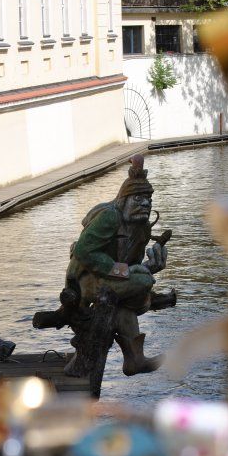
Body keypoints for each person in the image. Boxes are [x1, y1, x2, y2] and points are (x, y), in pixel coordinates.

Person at [65, 154, 169, 376]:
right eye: (139, 198)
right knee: (142, 283)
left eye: (149, 199)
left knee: (132, 296)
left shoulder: (141, 228)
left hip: (109, 280)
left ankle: (134, 359)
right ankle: (129, 356)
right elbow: (84, 251)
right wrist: (128, 272)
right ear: (124, 199)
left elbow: (133, 266)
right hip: (84, 278)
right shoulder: (110, 217)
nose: (146, 204)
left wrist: (151, 266)